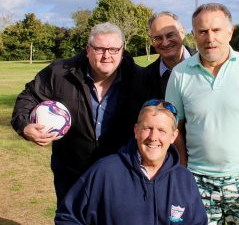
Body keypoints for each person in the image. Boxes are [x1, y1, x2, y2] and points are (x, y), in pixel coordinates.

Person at [165, 3, 239, 225]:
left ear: (230, 32)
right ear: (194, 35)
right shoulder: (180, 74)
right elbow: (172, 127)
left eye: (216, 30)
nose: (210, 38)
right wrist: (184, 168)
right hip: (198, 181)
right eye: (202, 31)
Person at [11, 22, 142, 207]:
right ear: (88, 49)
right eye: (99, 49)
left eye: (113, 49)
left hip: (118, 174)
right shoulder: (61, 72)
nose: (107, 56)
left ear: (122, 50)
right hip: (71, 174)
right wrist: (25, 126)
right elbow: (29, 97)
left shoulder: (138, 78)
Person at [55, 99, 208, 225]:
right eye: (147, 128)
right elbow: (68, 217)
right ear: (136, 131)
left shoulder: (184, 179)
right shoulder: (105, 172)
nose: (153, 137)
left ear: (173, 136)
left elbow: (198, 224)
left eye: (162, 130)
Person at [144, 11, 196, 99]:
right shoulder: (143, 78)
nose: (165, 43)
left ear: (182, 33)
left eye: (170, 35)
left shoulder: (207, 64)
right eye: (158, 38)